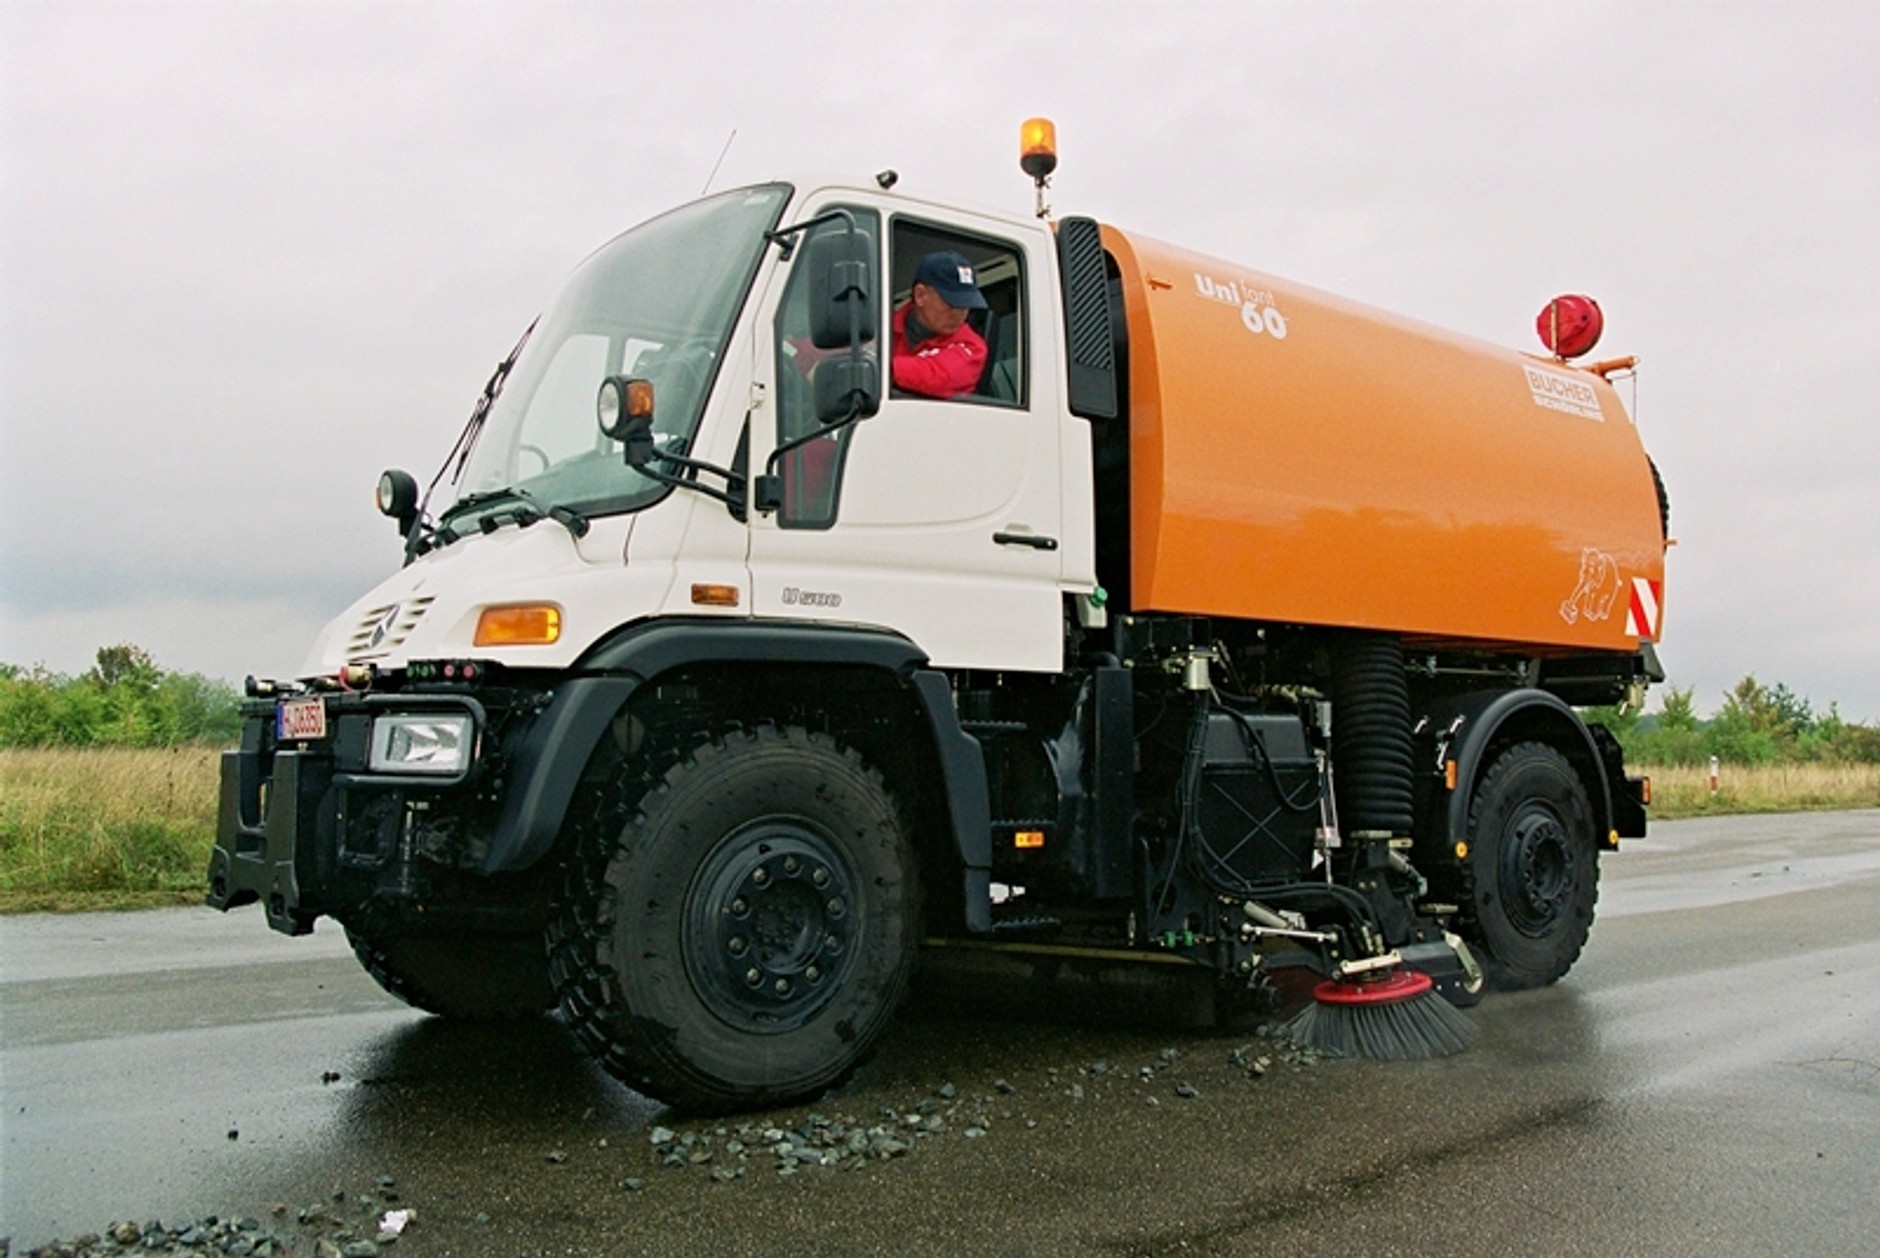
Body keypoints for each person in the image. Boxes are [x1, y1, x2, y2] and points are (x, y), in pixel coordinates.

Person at [891, 250, 988, 398]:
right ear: (920, 295)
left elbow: (939, 377)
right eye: (952, 304)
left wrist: (878, 368)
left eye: (965, 306)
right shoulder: (880, 328)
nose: (959, 315)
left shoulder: (973, 346)